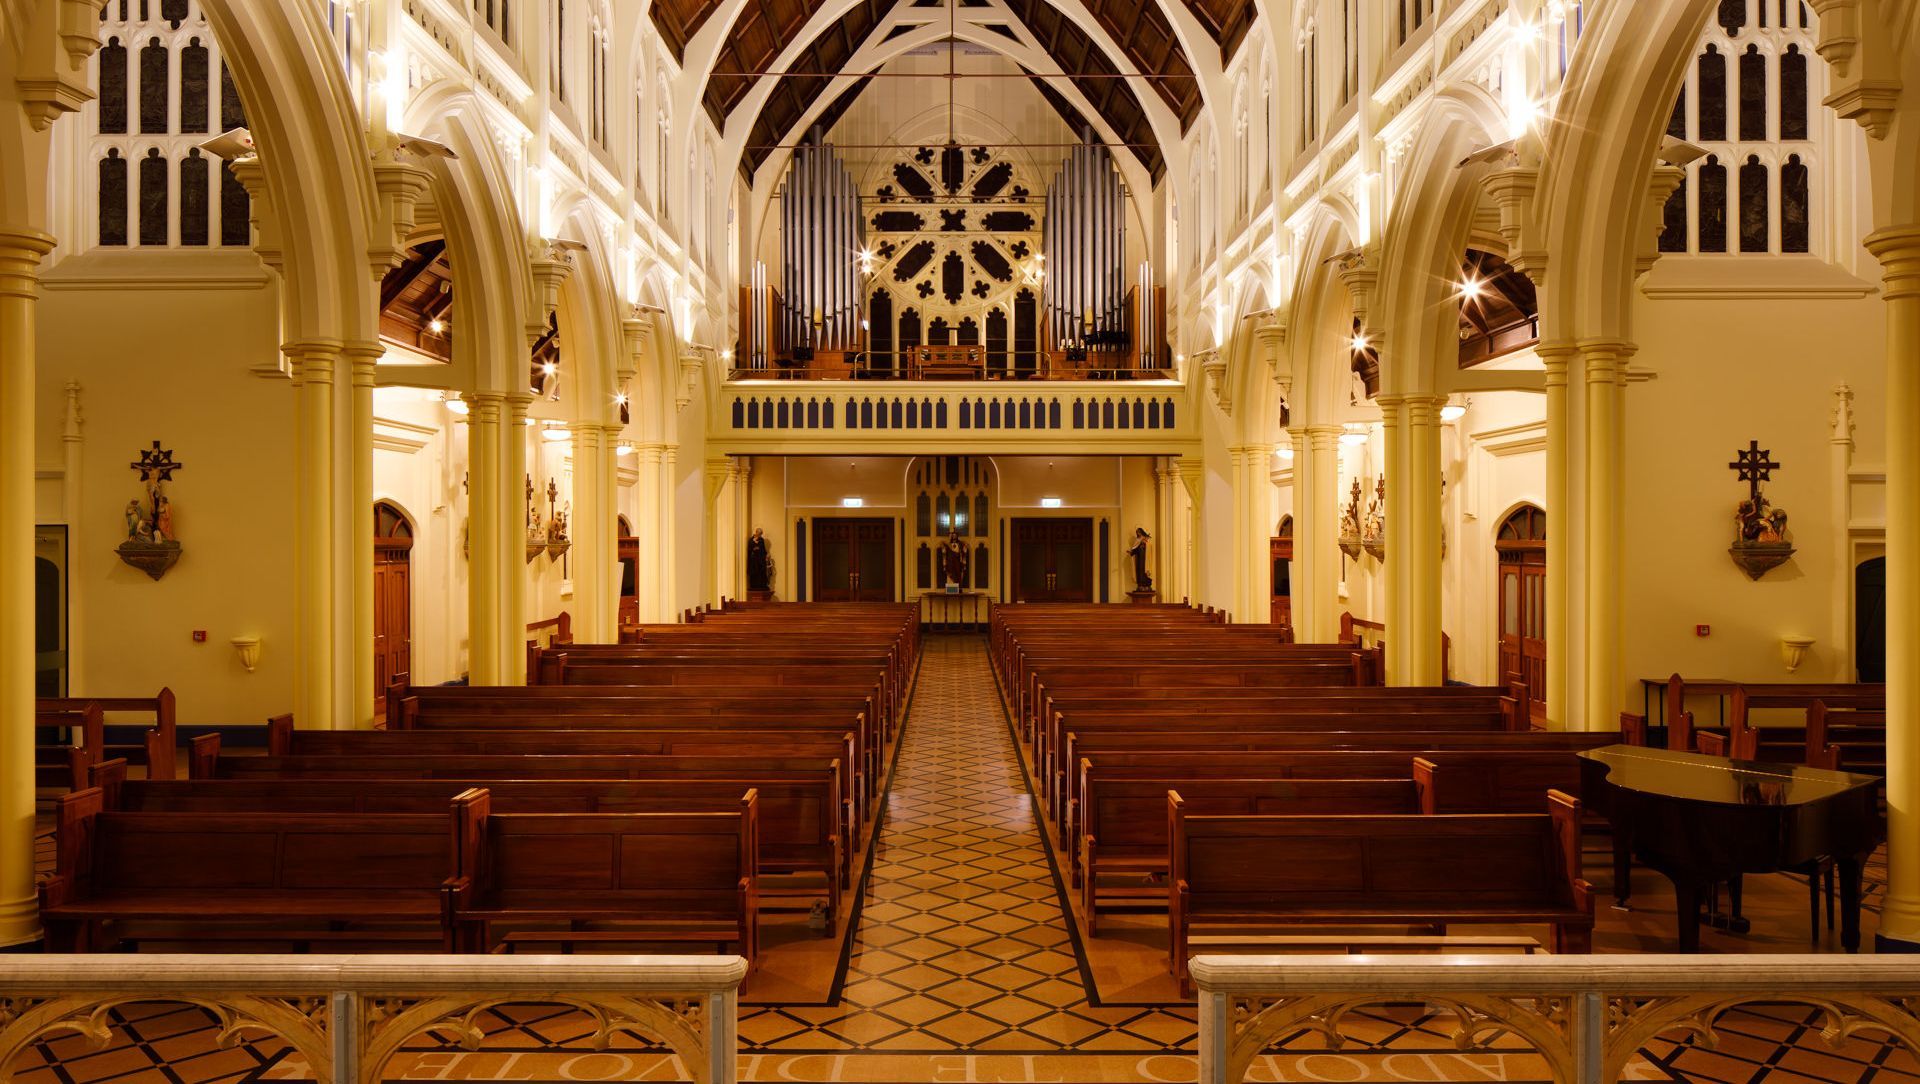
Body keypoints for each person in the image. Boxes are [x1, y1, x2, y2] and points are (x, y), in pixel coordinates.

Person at [746, 527, 771, 592]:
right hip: (754, 560)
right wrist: (754, 549)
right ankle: (754, 585)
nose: (760, 535)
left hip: (760, 559)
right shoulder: (751, 540)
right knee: (754, 573)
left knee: (761, 572)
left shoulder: (761, 540)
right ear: (756, 532)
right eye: (759, 533)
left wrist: (766, 555)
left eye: (761, 534)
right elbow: (749, 549)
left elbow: (763, 549)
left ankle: (761, 585)